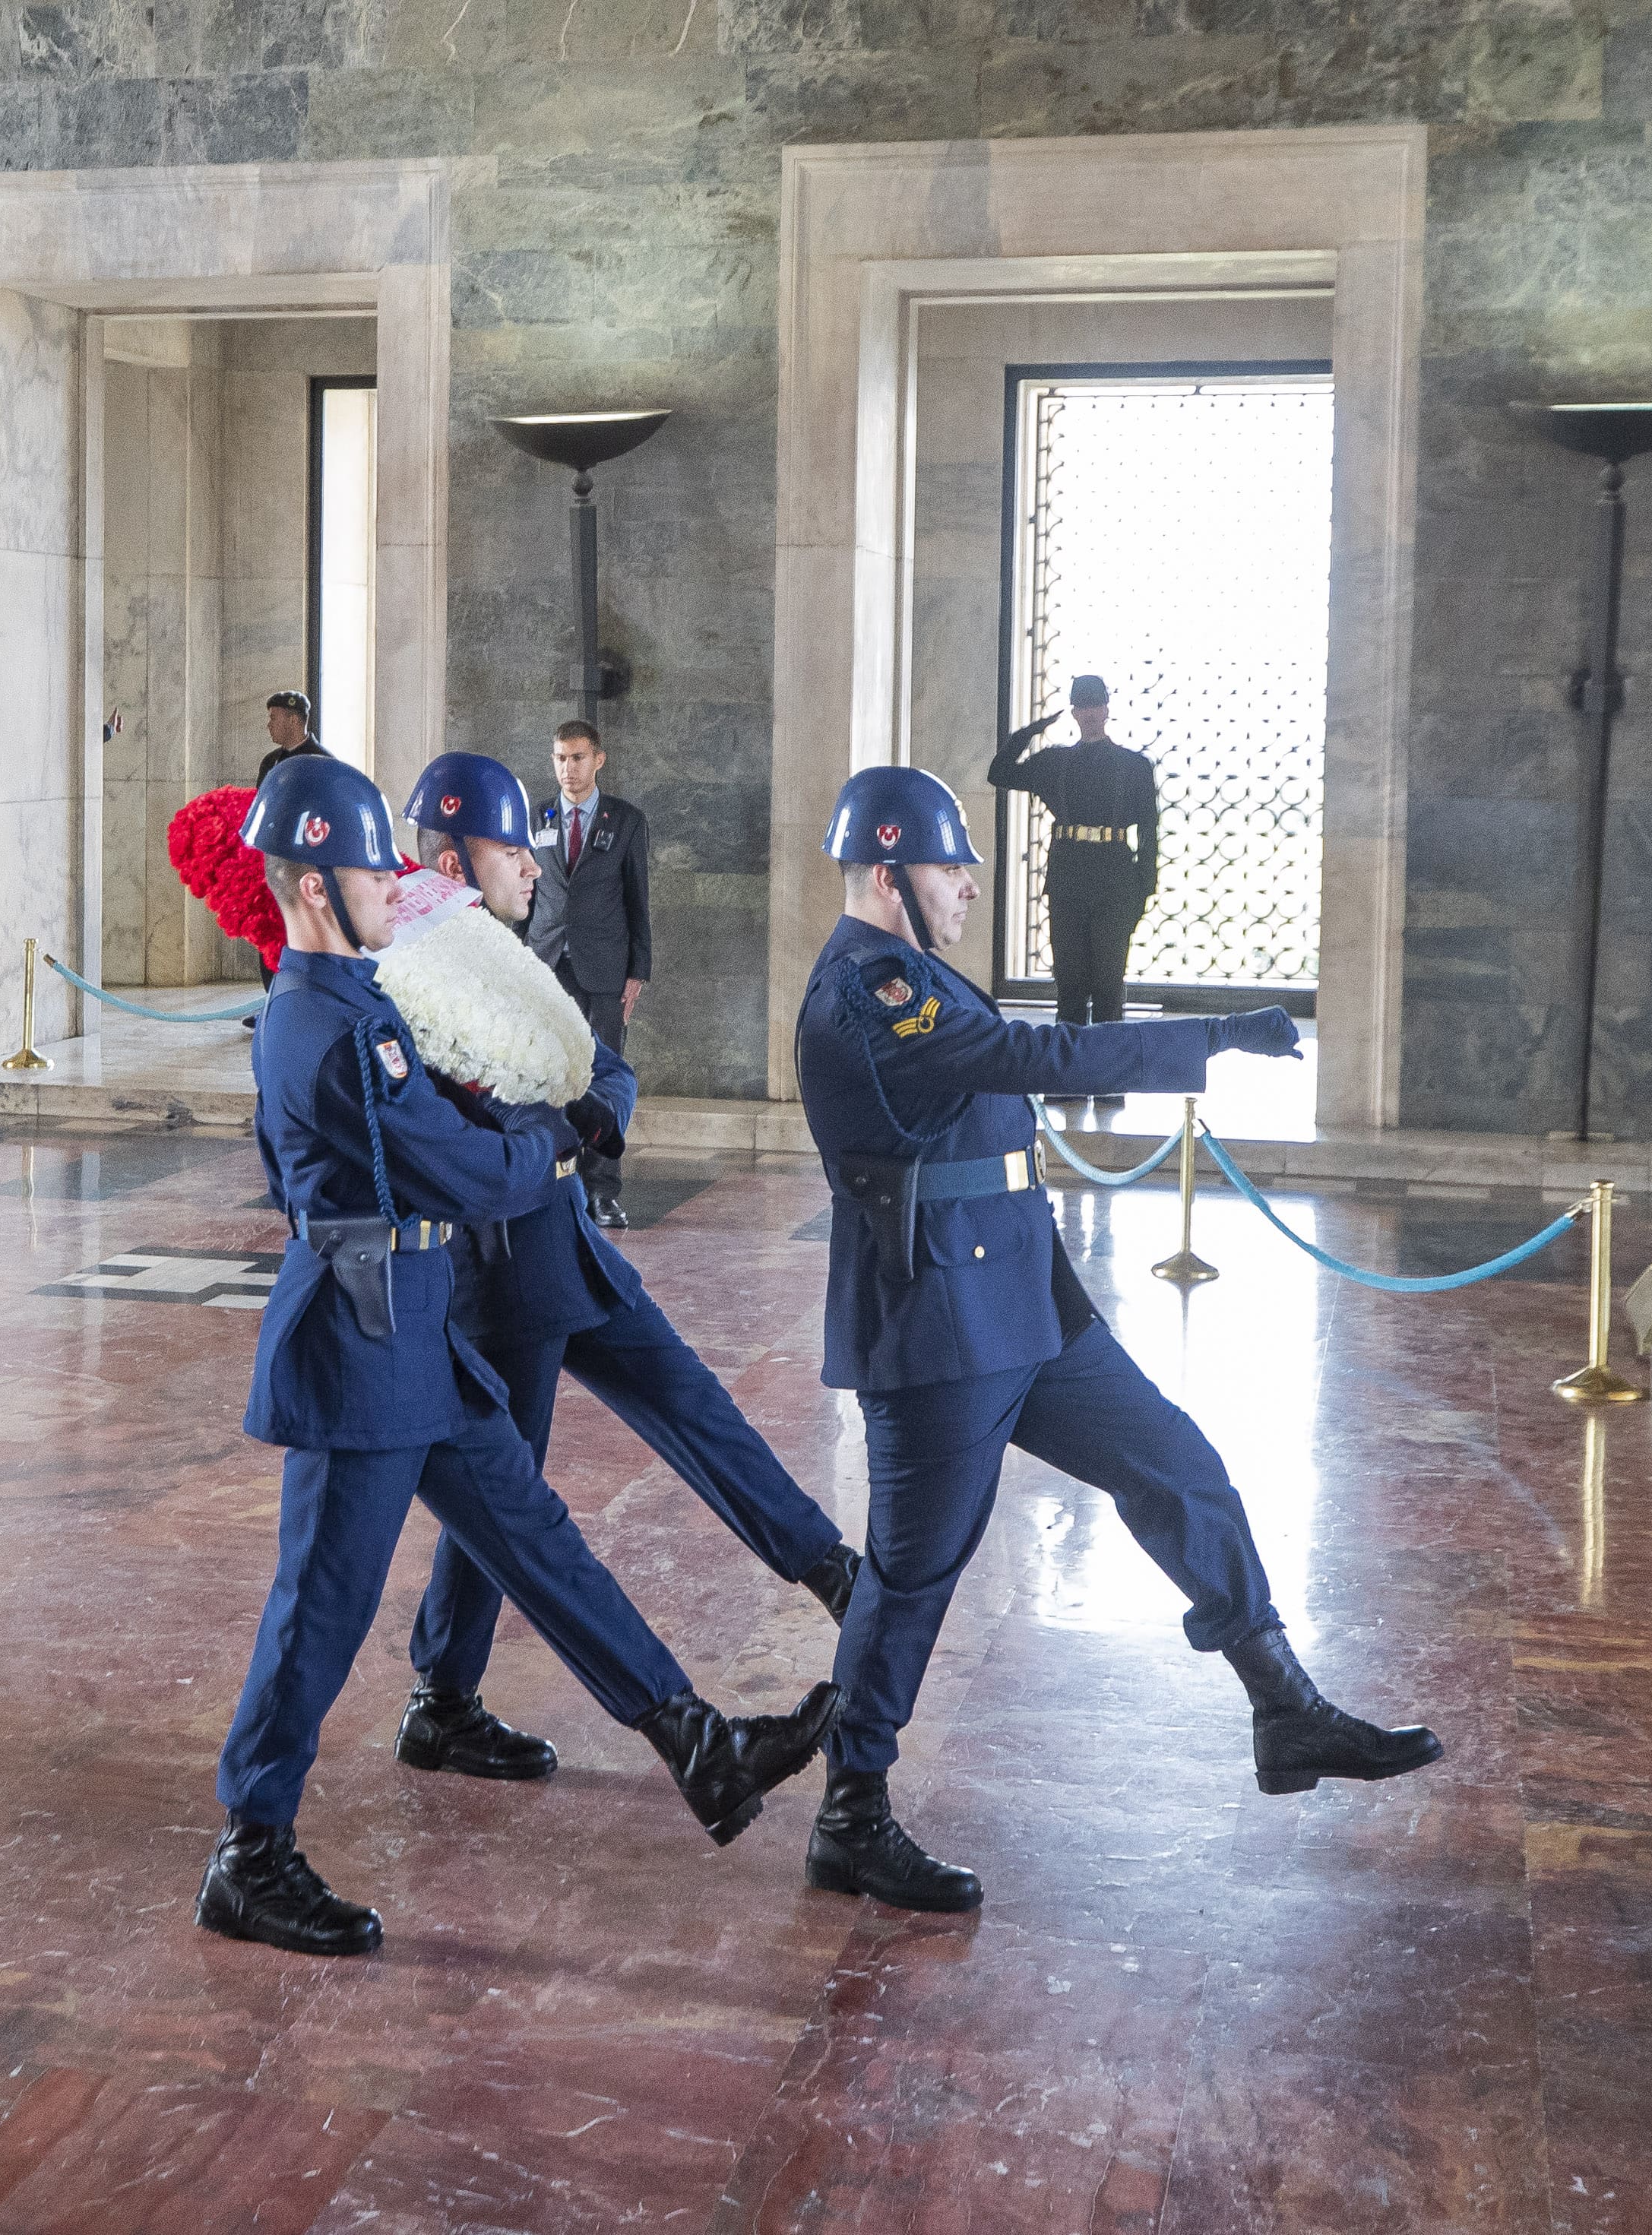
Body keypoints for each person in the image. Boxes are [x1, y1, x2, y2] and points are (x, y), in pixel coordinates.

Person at [198, 751, 833, 1958]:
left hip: (414, 1326)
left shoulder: (355, 1002)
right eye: (369, 871)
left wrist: (533, 1120)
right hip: (358, 1343)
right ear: (316, 888)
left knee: (538, 1540)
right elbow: (460, 1162)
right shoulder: (324, 1026)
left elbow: (441, 1139)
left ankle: (694, 1740)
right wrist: (546, 1137)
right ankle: (250, 1850)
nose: (394, 887)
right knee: (317, 1613)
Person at [791, 765, 1441, 1914]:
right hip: (939, 1331)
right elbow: (1034, 1062)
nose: (968, 890)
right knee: (911, 1577)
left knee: (1177, 1466)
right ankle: (850, 1815)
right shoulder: (867, 989)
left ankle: (1279, 1703)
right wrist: (1210, 1038)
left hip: (1023, 1314)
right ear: (888, 875)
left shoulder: (917, 976)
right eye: (952, 868)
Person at [387, 751, 861, 1784]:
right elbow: (474, 1115)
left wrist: (597, 1113)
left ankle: (833, 1572)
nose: (530, 865)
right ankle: (443, 1699)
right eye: (511, 847)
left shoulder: (485, 949)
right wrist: (558, 1129)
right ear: (449, 854)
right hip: (502, 1272)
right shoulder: (412, 969)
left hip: (559, 1246)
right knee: (506, 1505)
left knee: (689, 1404)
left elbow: (596, 1060)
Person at [524, 720, 648, 1227]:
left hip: (604, 967)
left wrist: (637, 970)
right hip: (546, 963)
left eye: (576, 758)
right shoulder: (537, 817)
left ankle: (602, 1190)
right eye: (558, 758)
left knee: (602, 1078)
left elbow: (638, 900)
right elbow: (523, 896)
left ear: (598, 759)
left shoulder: (624, 820)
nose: (567, 769)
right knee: (548, 1075)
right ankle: (555, 1182)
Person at [989, 674, 1160, 1031]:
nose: (1091, 713)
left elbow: (1148, 833)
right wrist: (1031, 731)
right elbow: (999, 773)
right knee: (1069, 983)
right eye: (1083, 706)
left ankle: (1107, 1065)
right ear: (1075, 712)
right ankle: (1069, 1067)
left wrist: (1145, 889)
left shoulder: (1134, 766)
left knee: (1109, 983)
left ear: (1106, 709)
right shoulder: (1054, 762)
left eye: (1096, 705)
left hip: (1115, 876)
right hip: (1068, 874)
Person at [247, 691, 329, 999]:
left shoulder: (321, 761)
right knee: (269, 934)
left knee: (298, 935)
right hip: (271, 863)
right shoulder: (271, 762)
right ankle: (272, 1000)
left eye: (274, 718)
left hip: (304, 868)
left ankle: (297, 1001)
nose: (269, 725)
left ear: (294, 720)